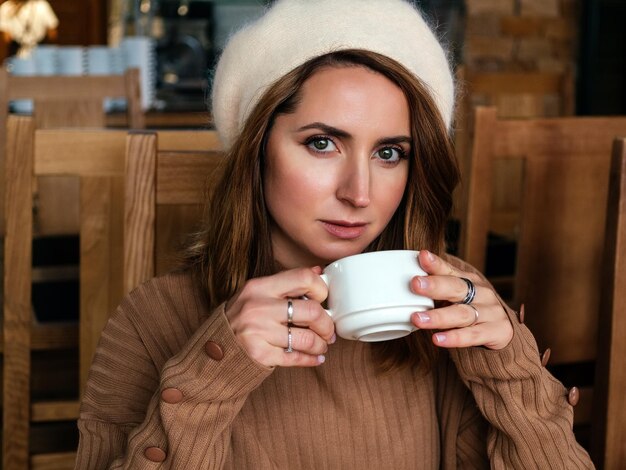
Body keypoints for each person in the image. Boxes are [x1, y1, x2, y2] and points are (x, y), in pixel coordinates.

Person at [76, 0, 594, 468]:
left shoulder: (452, 311)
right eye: (322, 143)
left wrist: (509, 367)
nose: (359, 193)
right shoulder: (153, 321)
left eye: (389, 153)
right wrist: (214, 369)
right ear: (257, 149)